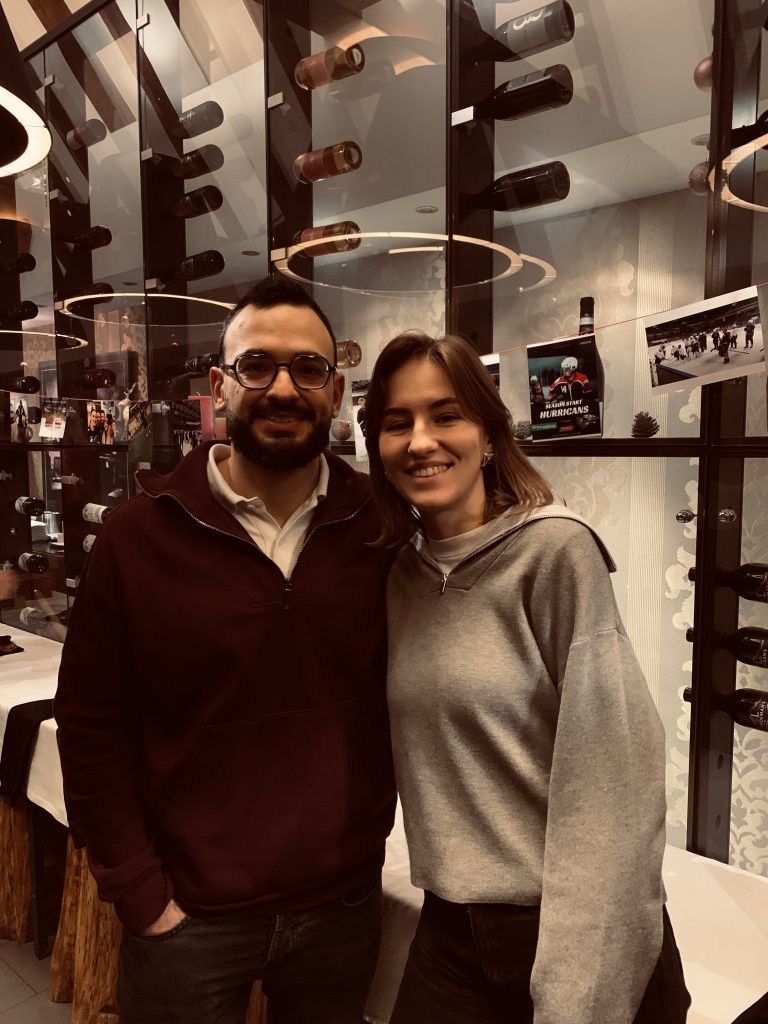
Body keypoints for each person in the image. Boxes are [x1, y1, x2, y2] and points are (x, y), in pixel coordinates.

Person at [54, 275, 397, 1024]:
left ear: (337, 391)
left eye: (308, 368)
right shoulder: (137, 537)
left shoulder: (381, 528)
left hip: (340, 908)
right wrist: (141, 895)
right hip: (189, 919)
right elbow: (90, 728)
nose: (284, 388)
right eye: (257, 366)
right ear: (219, 386)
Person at [363, 331, 691, 1024]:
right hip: (450, 930)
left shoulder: (555, 553)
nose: (421, 440)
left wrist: (579, 992)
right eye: (397, 422)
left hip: (567, 926)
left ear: (488, 435)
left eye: (446, 415)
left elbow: (614, 789)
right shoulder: (399, 576)